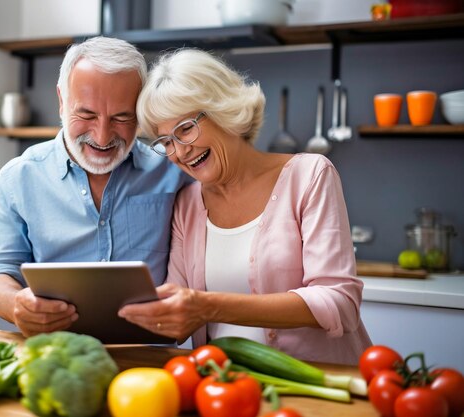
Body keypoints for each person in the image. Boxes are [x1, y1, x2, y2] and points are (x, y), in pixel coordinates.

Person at [118, 49, 372, 365]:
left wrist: (211, 306)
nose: (180, 152)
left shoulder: (310, 175)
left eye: (185, 129)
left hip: (316, 387)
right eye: (166, 141)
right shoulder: (187, 204)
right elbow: (179, 315)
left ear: (223, 110)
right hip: (226, 389)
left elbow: (339, 302)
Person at [0, 37, 191, 337]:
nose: (103, 137)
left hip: (149, 359)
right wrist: (17, 303)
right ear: (61, 101)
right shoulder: (18, 178)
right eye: (87, 115)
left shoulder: (173, 170)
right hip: (58, 354)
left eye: (122, 117)